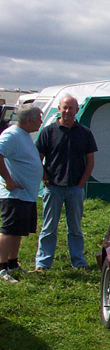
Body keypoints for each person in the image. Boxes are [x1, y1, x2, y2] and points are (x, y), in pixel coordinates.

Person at [35, 95, 98, 270]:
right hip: (53, 187)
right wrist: (44, 179)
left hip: (75, 188)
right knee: (48, 228)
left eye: (71, 108)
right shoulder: (49, 132)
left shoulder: (85, 133)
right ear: (59, 109)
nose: (67, 111)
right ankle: (43, 263)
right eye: (64, 107)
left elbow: (90, 161)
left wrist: (81, 183)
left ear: (77, 110)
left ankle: (78, 262)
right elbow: (38, 159)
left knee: (75, 228)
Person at [0, 106, 44, 282]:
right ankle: (2, 268)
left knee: (18, 230)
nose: (41, 122)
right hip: (13, 194)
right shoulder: (11, 135)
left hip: (25, 194)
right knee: (9, 230)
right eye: (38, 119)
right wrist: (9, 180)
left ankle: (12, 263)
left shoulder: (23, 135)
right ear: (28, 120)